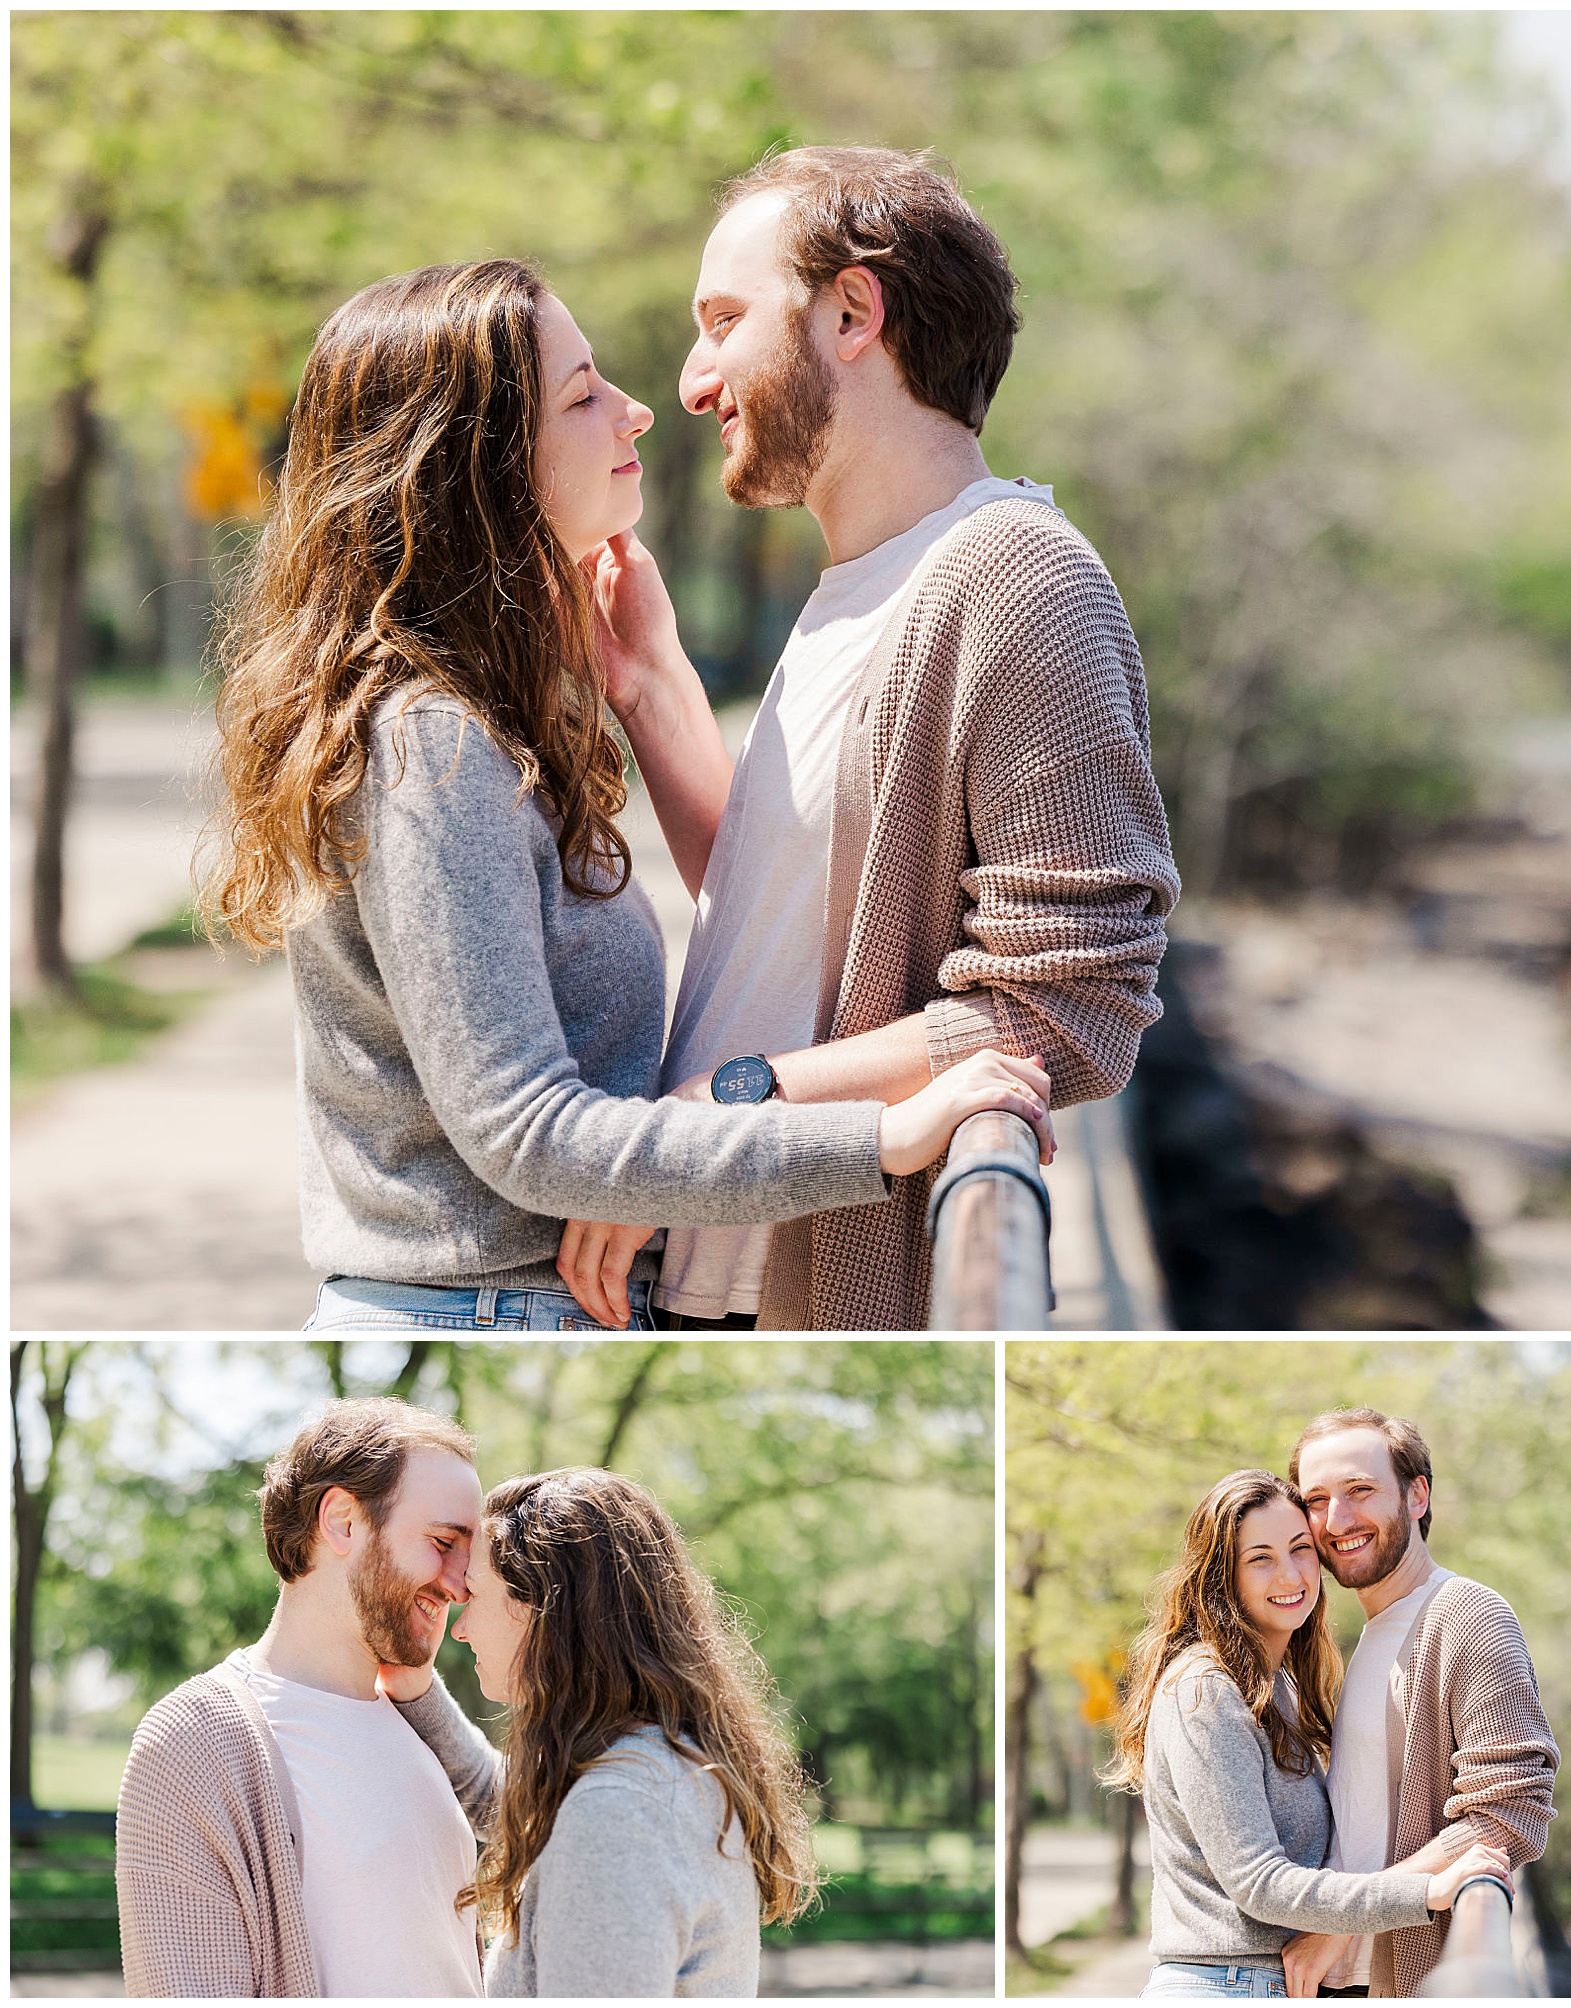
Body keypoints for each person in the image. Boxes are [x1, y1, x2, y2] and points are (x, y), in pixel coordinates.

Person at [201, 256, 1054, 1332]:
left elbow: (766, 900)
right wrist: (884, 1137)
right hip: (484, 1311)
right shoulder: (433, 745)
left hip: (516, 1312)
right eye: (582, 394)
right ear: (481, 469)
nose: (640, 409)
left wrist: (649, 683)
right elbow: (528, 1134)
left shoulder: (483, 723)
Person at [556, 145, 1181, 1331]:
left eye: (725, 319)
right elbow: (800, 915)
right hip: (687, 1281)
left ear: (851, 312)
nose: (692, 381)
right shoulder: (862, 585)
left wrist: (721, 1109)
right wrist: (649, 688)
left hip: (802, 1284)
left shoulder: (1017, 579)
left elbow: (1071, 1006)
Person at [377, 1466, 807, 1996]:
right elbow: (506, 1798)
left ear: (544, 1612)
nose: (459, 1628)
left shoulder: (619, 1813)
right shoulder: (655, 1769)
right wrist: (415, 1687)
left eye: (477, 1594)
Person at [115, 1399, 487, 1997]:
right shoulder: (194, 1741)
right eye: (445, 1542)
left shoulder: (424, 1729)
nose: (464, 1582)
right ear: (341, 1520)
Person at [1106, 1469, 1513, 2000]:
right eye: (1260, 1558)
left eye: (1300, 1549)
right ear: (1219, 1576)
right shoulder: (1205, 1692)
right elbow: (1257, 1882)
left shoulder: (1277, 1688)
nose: (1290, 1575)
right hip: (1224, 1986)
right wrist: (1426, 1891)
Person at [1282, 1407, 1560, 1997]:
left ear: (1417, 1495)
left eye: (1361, 1490)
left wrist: (1346, 1921)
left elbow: (1509, 1813)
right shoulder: (1364, 1635)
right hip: (1327, 1983)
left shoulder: (1469, 1618)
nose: (1337, 1519)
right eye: (1316, 1499)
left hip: (1405, 1980)